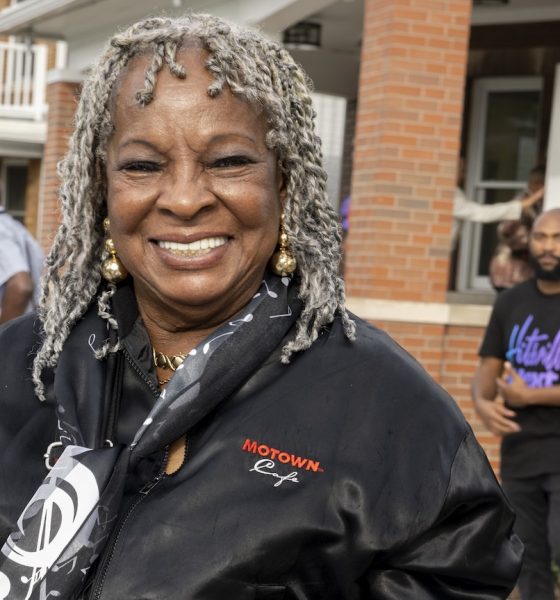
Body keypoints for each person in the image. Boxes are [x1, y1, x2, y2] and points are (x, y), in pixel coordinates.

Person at [0, 14, 522, 600]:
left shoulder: (390, 410)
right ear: (103, 189)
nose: (185, 199)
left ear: (285, 183)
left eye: (228, 162)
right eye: (143, 166)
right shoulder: (21, 365)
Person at [472, 207, 560, 600]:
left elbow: (523, 390)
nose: (548, 247)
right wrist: (483, 404)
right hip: (521, 453)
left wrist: (531, 395)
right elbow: (486, 374)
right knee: (530, 559)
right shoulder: (510, 303)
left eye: (557, 239)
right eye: (541, 238)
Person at [489, 166, 546, 292]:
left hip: (521, 273)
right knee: (514, 310)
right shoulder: (522, 203)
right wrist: (537, 242)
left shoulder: (537, 205)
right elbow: (505, 231)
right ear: (538, 185)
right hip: (509, 272)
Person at [0, 205, 43, 324]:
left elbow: (21, 287)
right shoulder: (17, 228)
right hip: (26, 327)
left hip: (12, 334)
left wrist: (4, 336)